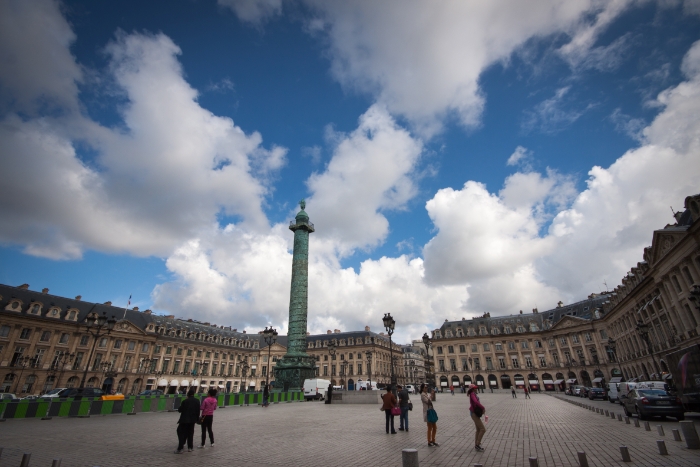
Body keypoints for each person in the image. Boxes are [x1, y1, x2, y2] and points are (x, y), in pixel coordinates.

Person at [175, 388, 201, 454]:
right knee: (190, 433)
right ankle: (190, 447)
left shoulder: (185, 401)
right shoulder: (197, 401)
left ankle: (180, 448)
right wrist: (197, 419)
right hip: (192, 420)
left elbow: (180, 410)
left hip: (184, 420)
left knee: (180, 432)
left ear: (188, 394)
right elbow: (198, 411)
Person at [468, 384, 486, 452]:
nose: (476, 389)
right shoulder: (472, 394)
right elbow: (475, 402)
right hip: (474, 413)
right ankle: (477, 444)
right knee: (483, 429)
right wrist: (483, 407)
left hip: (474, 413)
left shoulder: (473, 393)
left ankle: (476, 444)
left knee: (478, 429)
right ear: (473, 389)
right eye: (475, 388)